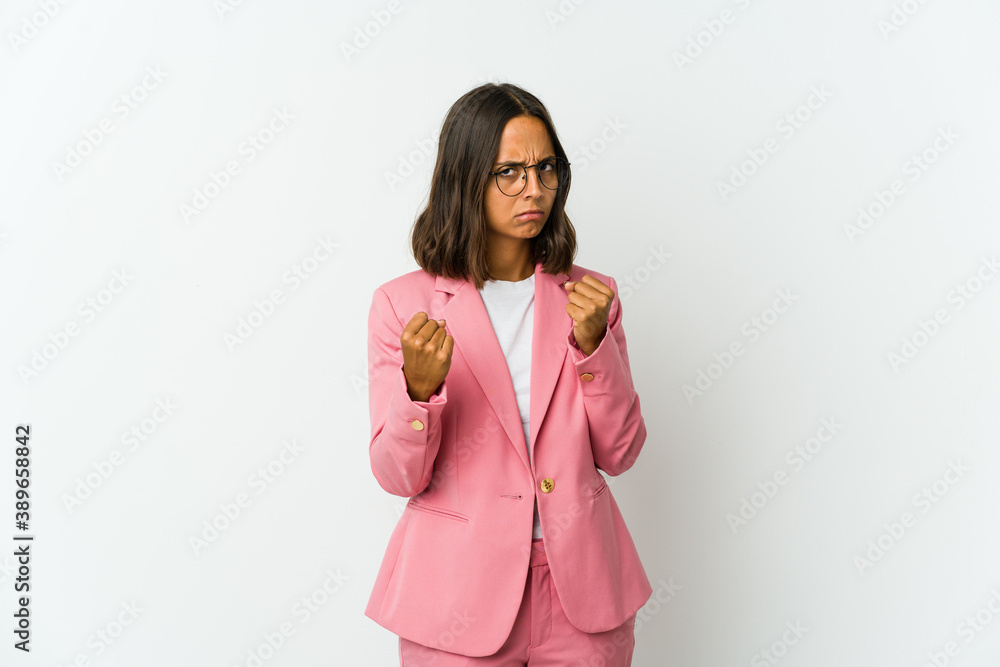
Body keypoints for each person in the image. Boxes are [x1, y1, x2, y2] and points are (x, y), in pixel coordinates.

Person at [365, 82, 651, 666]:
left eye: (546, 168)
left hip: (583, 594)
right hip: (456, 598)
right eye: (509, 172)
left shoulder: (593, 297)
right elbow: (397, 475)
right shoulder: (403, 306)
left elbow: (620, 453)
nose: (535, 189)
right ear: (466, 178)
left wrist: (595, 349)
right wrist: (418, 392)